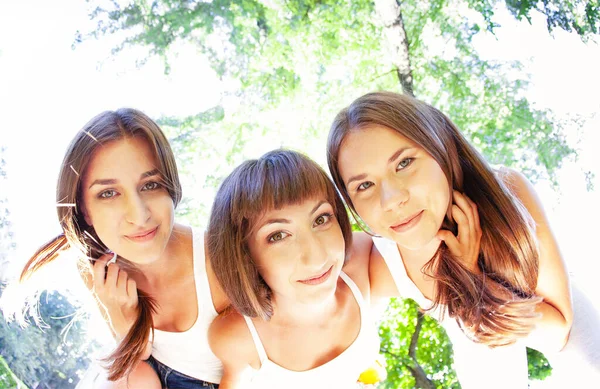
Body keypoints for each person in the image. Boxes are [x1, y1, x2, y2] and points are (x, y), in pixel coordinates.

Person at [326, 91, 578, 388]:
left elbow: (558, 331)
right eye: (364, 185)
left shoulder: (508, 197)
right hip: (483, 340)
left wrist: (477, 286)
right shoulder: (380, 263)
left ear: (440, 146)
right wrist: (469, 286)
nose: (392, 200)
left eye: (404, 163)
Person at [20, 108, 228, 388]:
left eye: (150, 185)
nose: (139, 215)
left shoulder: (220, 258)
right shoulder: (99, 270)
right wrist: (124, 317)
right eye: (108, 193)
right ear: (84, 210)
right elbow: (137, 356)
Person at [206, 150, 390, 388]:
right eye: (278, 235)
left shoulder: (363, 262)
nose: (316, 258)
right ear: (244, 255)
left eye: (321, 219)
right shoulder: (238, 338)